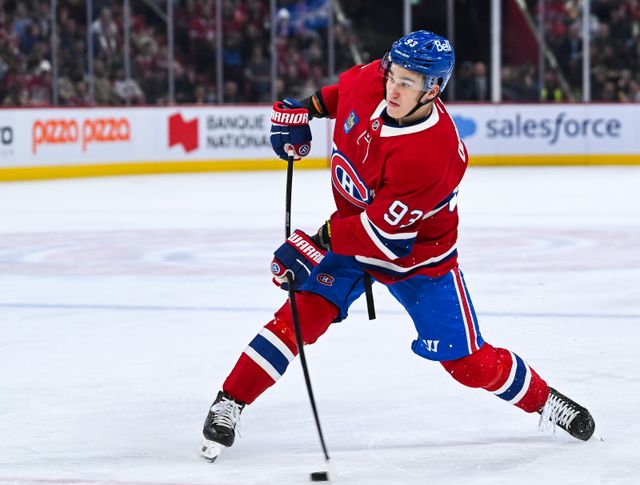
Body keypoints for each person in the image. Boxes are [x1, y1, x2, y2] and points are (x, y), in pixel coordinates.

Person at [200, 30, 596, 461]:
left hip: (419, 258)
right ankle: (230, 401)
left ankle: (544, 401)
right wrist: (302, 111)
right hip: (351, 233)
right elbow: (341, 95)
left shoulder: (433, 154)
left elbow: (385, 237)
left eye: (408, 83)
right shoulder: (376, 79)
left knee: (468, 365)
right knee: (299, 315)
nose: (393, 87)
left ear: (434, 89)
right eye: (393, 75)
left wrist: (313, 244)